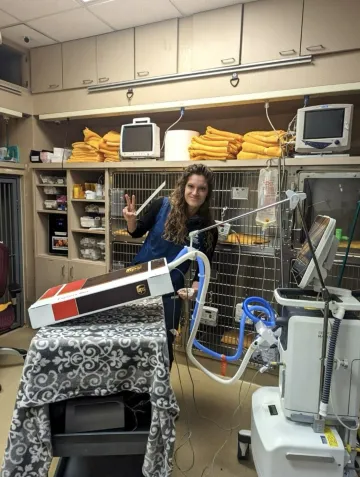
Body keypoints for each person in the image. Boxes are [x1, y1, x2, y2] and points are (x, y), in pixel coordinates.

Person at [123, 164, 218, 368]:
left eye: (201, 188)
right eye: (191, 186)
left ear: (208, 193)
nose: (195, 192)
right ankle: (130, 391)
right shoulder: (162, 205)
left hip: (170, 290)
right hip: (138, 281)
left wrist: (194, 290)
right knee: (132, 339)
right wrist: (131, 220)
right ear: (183, 186)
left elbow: (204, 267)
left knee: (163, 345)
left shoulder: (208, 229)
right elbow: (136, 231)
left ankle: (158, 392)